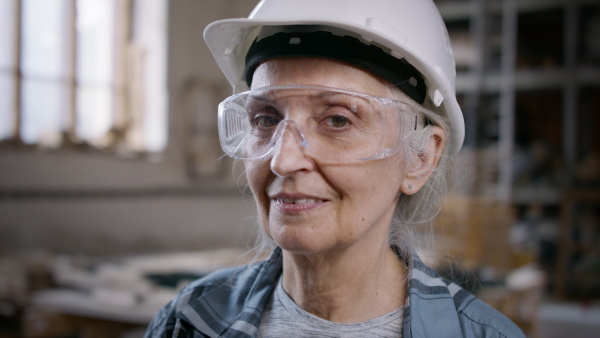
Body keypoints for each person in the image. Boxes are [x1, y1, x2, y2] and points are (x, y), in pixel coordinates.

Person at [145, 0, 525, 337]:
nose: (283, 160)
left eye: (338, 121)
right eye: (265, 119)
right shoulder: (189, 321)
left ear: (421, 157)